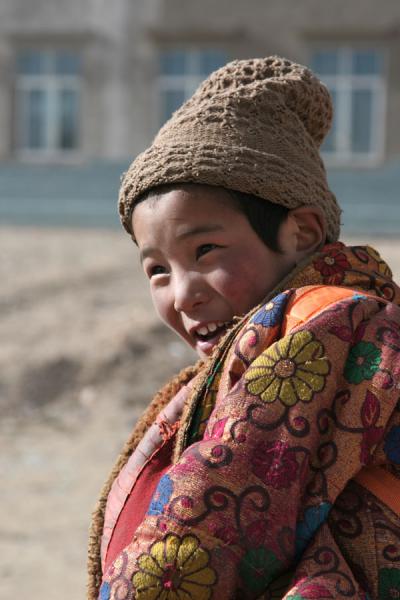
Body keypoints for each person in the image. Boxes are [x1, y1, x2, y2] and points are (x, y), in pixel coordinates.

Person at [88, 56, 400, 599]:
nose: (183, 293)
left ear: (301, 232)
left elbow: (205, 529)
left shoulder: (321, 327)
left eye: (205, 251)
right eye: (157, 270)